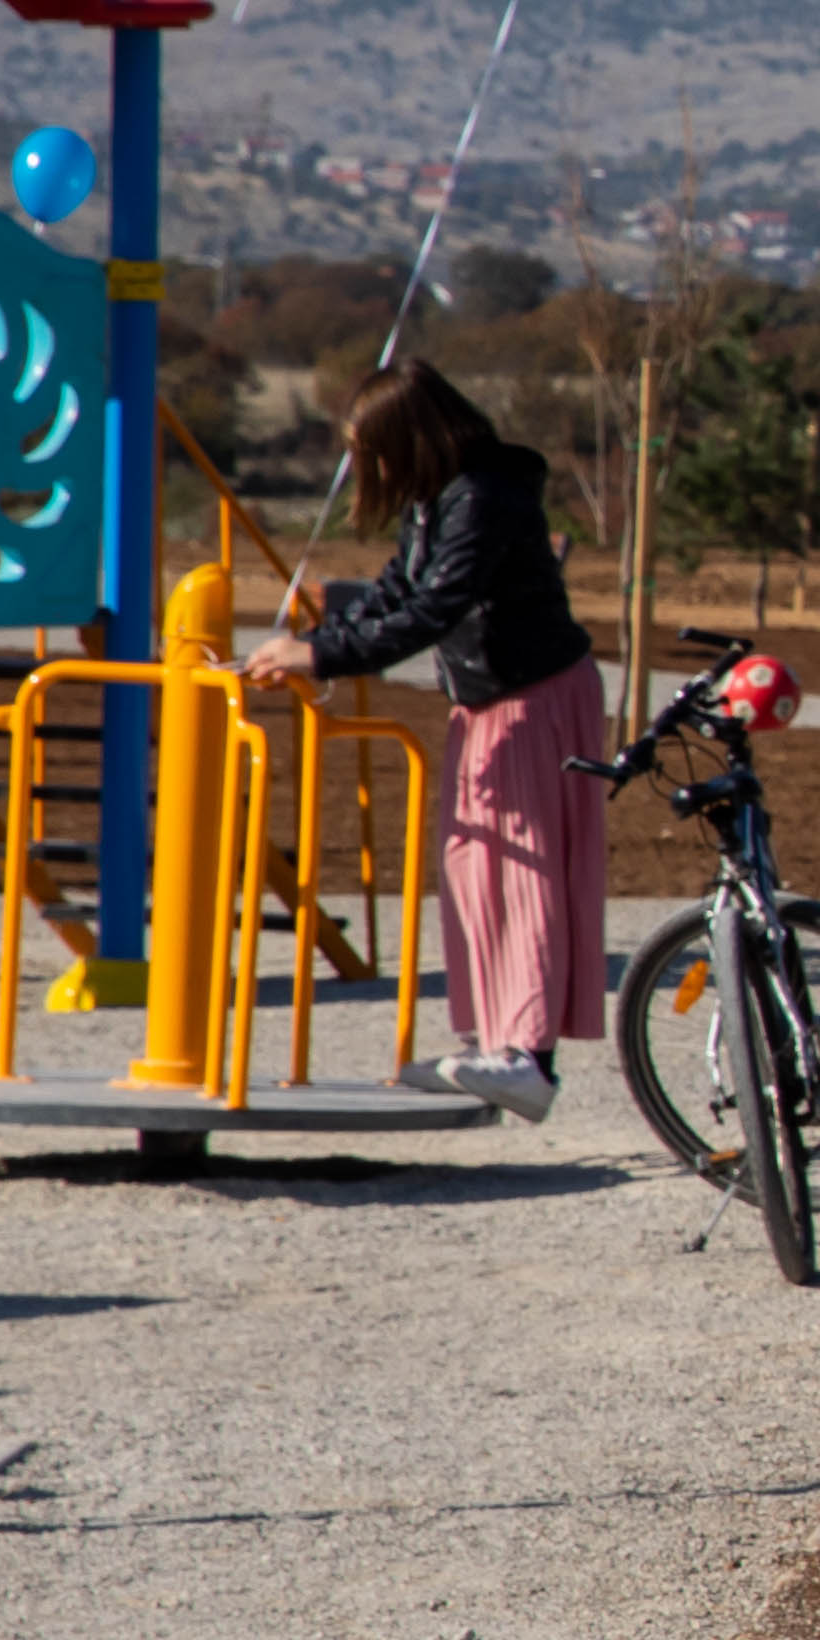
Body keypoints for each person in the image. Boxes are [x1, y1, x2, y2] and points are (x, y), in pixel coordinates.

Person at [233, 364, 598, 1119]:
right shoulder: (438, 502)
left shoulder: (485, 497)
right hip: (487, 699)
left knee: (521, 872)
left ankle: (527, 1057)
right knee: (471, 867)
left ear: (411, 437)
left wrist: (323, 657)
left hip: (533, 698)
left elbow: (434, 608)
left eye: (372, 448)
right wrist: (307, 644)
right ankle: (488, 1041)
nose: (370, 466)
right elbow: (400, 590)